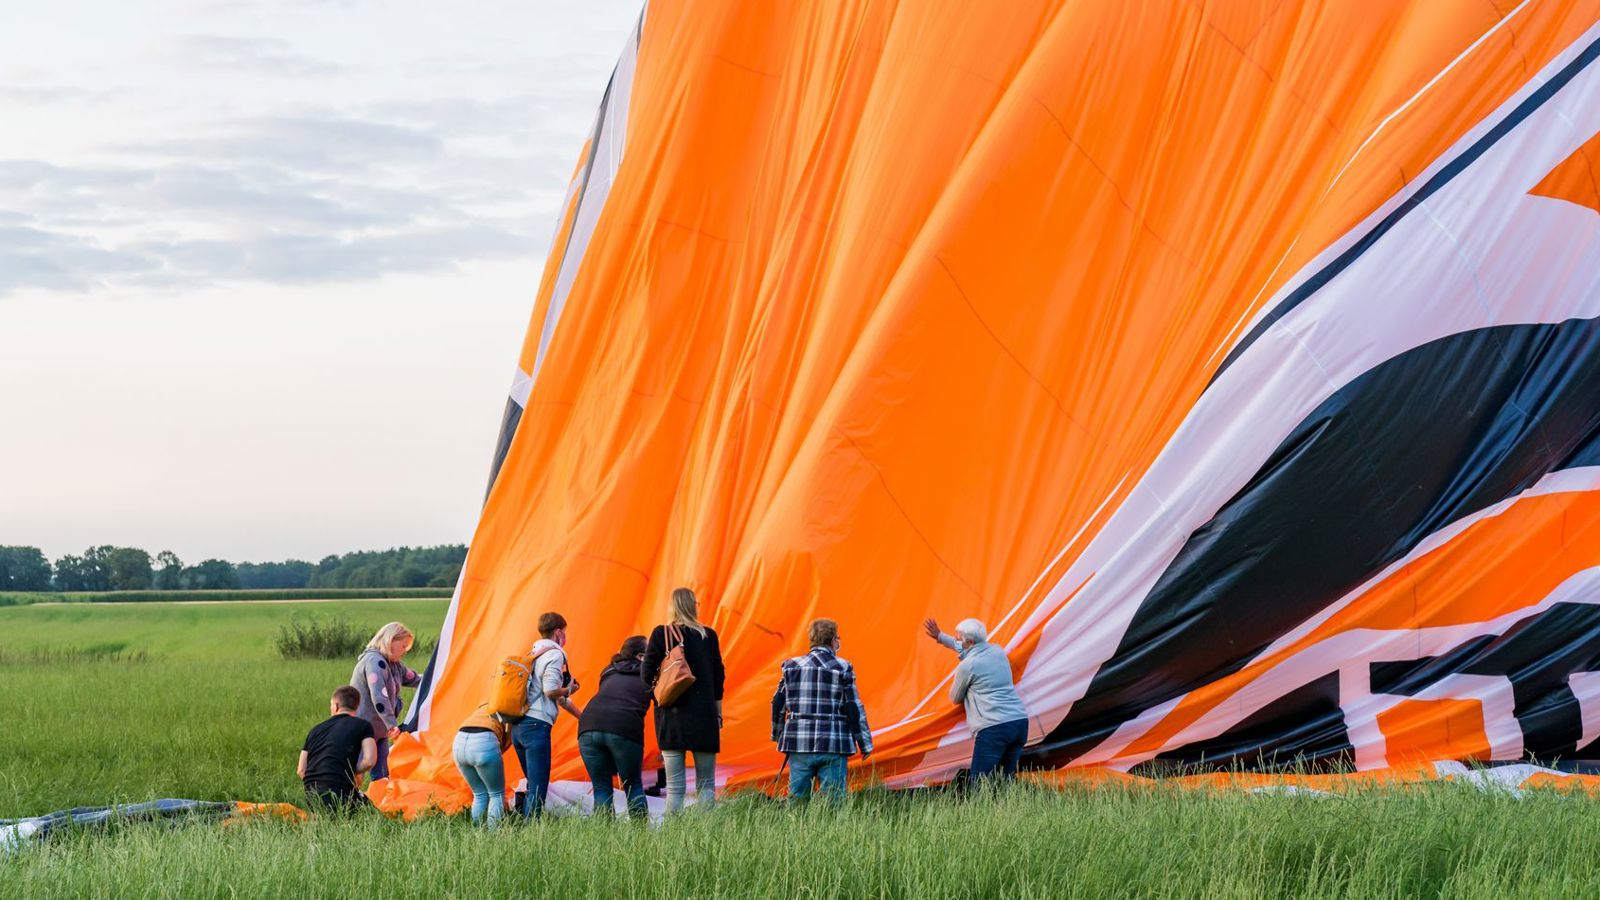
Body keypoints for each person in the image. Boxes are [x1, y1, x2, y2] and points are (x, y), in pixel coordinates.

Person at [642, 587, 726, 814]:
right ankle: (707, 834)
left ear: (672, 606)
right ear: (693, 606)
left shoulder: (662, 634)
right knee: (706, 784)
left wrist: (659, 696)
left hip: (672, 715)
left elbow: (645, 674)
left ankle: (672, 838)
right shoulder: (708, 635)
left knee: (675, 787)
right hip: (704, 716)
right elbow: (719, 676)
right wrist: (717, 710)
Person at [771, 618, 872, 803]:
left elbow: (778, 702)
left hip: (799, 742)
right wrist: (864, 742)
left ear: (812, 640)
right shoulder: (843, 667)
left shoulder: (791, 666)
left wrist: (777, 733)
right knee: (833, 803)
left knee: (797, 802)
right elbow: (853, 707)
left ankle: (797, 831)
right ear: (834, 640)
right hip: (833, 743)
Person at [922, 617, 1030, 781]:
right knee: (1005, 780)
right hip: (1020, 722)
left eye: (958, 637)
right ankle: (1009, 805)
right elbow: (967, 648)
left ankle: (980, 806)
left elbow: (955, 697)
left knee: (979, 782)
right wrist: (940, 636)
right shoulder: (997, 651)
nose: (957, 640)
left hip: (994, 727)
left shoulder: (968, 665)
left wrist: (969, 688)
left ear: (970, 642)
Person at [513, 611, 582, 818]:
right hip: (537, 726)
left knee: (532, 783)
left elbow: (556, 698)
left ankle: (521, 823)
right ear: (559, 631)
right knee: (538, 787)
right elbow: (550, 691)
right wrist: (569, 689)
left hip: (519, 726)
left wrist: (582, 716)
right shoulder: (555, 654)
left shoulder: (532, 653)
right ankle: (530, 832)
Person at [577, 635, 652, 819]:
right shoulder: (649, 673)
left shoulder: (608, 670)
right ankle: (640, 837)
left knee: (601, 788)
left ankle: (604, 837)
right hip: (624, 726)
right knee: (633, 784)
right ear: (641, 655)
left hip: (588, 725)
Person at [350, 621, 421, 781]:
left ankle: (379, 800)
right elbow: (379, 697)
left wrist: (438, 678)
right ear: (391, 641)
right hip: (364, 727)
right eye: (403, 646)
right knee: (358, 766)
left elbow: (414, 679)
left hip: (380, 729)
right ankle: (345, 799)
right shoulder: (375, 662)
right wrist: (391, 725)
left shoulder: (393, 665)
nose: (404, 651)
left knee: (382, 770)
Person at [298, 685, 377, 811]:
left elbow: (301, 770)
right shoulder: (363, 725)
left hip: (312, 799)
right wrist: (349, 772)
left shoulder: (315, 730)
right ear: (357, 707)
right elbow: (369, 760)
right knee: (374, 815)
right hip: (341, 795)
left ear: (335, 706)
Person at [453, 701, 513, 827]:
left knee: (479, 794)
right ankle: (493, 835)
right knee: (496, 794)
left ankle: (477, 830)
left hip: (459, 743)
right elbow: (508, 738)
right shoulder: (509, 707)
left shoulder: (484, 704)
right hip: (484, 741)